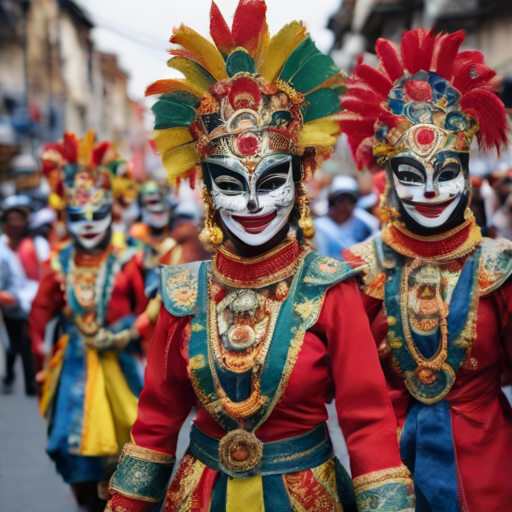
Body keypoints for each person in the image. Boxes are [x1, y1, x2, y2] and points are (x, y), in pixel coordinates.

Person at [105, 2, 415, 512]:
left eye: (270, 182)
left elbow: (366, 421)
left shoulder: (331, 290)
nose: (251, 204)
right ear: (206, 194)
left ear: (297, 185)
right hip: (201, 496)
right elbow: (157, 421)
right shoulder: (183, 292)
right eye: (230, 184)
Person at [341, 28, 512, 511]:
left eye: (447, 172)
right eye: (412, 177)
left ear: (467, 176)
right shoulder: (357, 271)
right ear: (389, 180)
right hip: (384, 470)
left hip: (489, 470)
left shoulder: (502, 268)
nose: (431, 192)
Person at [29, 131, 149, 511]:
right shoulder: (57, 262)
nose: (88, 224)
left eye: (97, 214)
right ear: (65, 215)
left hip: (121, 361)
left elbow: (152, 308)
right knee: (68, 441)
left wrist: (129, 333)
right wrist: (38, 358)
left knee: (132, 442)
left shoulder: (129, 258)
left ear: (110, 211)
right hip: (74, 365)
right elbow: (40, 313)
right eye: (77, 216)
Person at [0, 238, 36, 395]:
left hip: (20, 302)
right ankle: (11, 375)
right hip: (12, 302)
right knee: (13, 342)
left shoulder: (24, 245)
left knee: (20, 342)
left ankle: (29, 381)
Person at [314, 176, 378, 259]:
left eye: (349, 201)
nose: (344, 207)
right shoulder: (320, 226)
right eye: (340, 201)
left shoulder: (366, 223)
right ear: (332, 202)